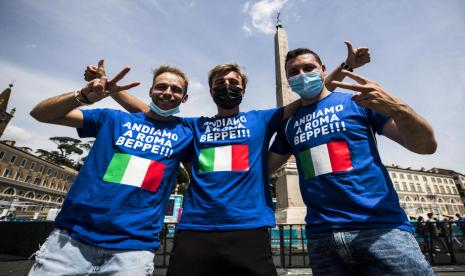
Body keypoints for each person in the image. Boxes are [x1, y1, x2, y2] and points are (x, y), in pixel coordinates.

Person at [87, 42, 371, 275]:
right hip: (195, 229)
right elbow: (152, 114)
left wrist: (346, 68)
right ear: (211, 91)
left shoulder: (261, 120)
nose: (226, 86)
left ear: (243, 90)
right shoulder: (193, 127)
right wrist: (113, 93)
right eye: (219, 83)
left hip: (249, 227)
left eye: (232, 82)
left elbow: (310, 95)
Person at [269, 47, 437, 275]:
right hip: (322, 236)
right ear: (288, 79)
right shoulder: (288, 125)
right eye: (294, 72)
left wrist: (400, 110)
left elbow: (425, 147)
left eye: (308, 68)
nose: (302, 75)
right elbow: (262, 169)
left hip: (380, 228)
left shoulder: (359, 103)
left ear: (323, 70)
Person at [28, 61, 193, 275]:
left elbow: (196, 178)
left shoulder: (186, 133)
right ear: (150, 91)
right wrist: (83, 95)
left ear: (185, 98)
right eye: (161, 86)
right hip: (70, 241)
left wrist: (114, 92)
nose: (167, 92)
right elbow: (40, 114)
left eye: (176, 89)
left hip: (134, 250)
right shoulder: (112, 118)